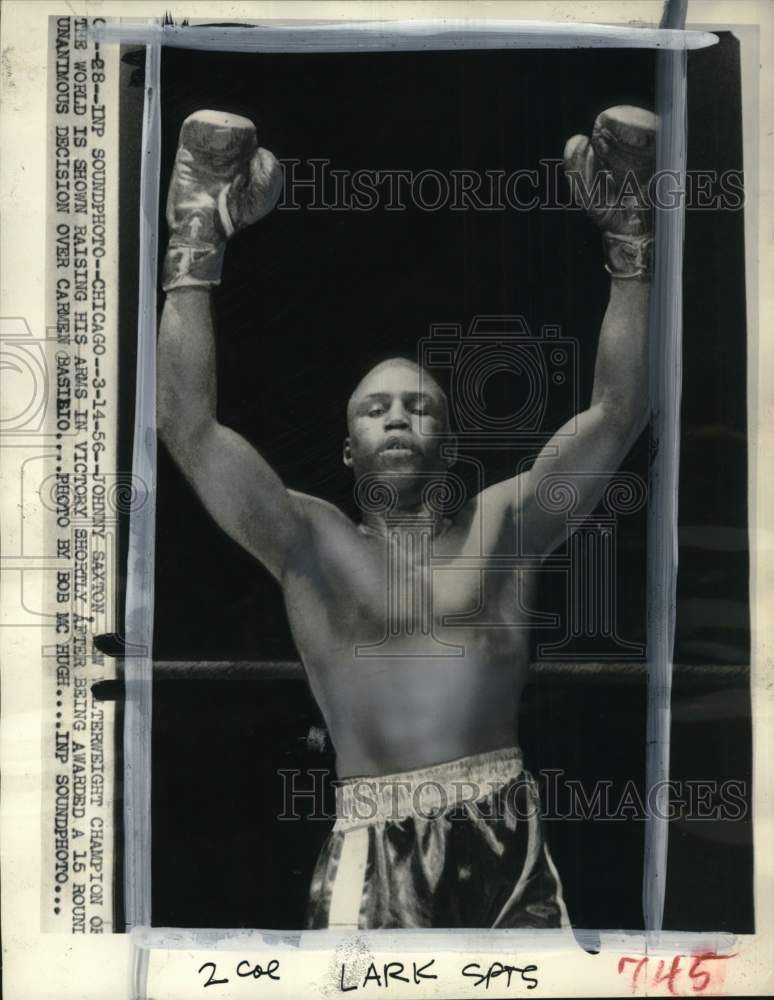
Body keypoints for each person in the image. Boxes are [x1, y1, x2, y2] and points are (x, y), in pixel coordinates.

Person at [157, 106, 656, 929]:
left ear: (448, 444)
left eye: (418, 407)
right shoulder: (309, 540)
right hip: (373, 847)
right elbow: (188, 427)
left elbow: (617, 412)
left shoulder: (507, 526)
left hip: (506, 834)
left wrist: (629, 244)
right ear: (348, 449)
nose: (396, 417)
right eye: (375, 409)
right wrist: (195, 243)